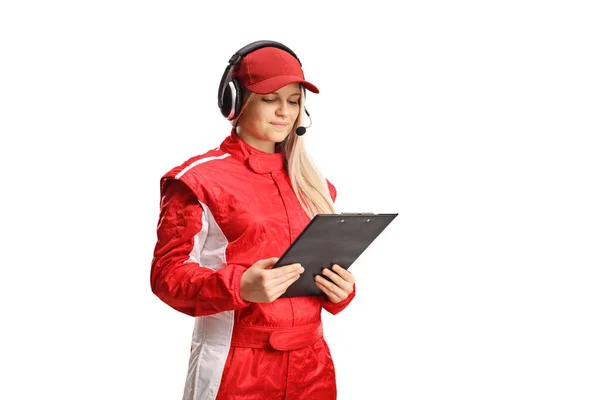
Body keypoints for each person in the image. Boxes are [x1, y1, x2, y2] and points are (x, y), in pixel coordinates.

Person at [150, 40, 356, 400]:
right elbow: (167, 275)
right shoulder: (199, 180)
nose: (284, 112)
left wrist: (341, 291)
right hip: (236, 367)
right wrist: (240, 286)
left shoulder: (315, 184)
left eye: (293, 101)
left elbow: (316, 272)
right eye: (269, 98)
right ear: (235, 102)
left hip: (313, 368)